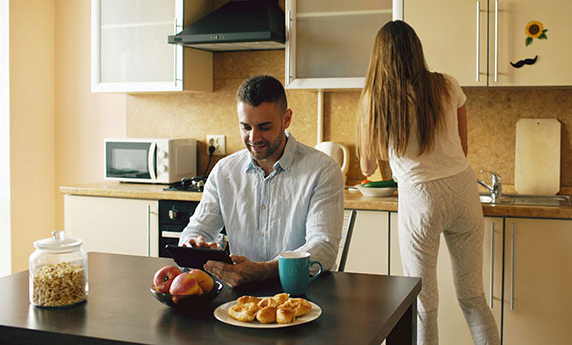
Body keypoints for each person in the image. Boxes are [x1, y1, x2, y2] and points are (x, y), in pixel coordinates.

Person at [357, 21, 500, 345]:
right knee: (473, 296)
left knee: (424, 302)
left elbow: (367, 165)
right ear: (416, 50)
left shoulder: (374, 100)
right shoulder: (447, 85)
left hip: (421, 198)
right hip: (464, 191)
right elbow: (463, 148)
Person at [179, 75, 344, 287]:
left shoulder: (322, 170)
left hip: (303, 295)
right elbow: (196, 230)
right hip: (240, 299)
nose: (254, 138)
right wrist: (195, 245)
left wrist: (264, 270)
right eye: (246, 127)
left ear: (286, 119)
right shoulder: (224, 171)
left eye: (264, 127)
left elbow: (324, 247)